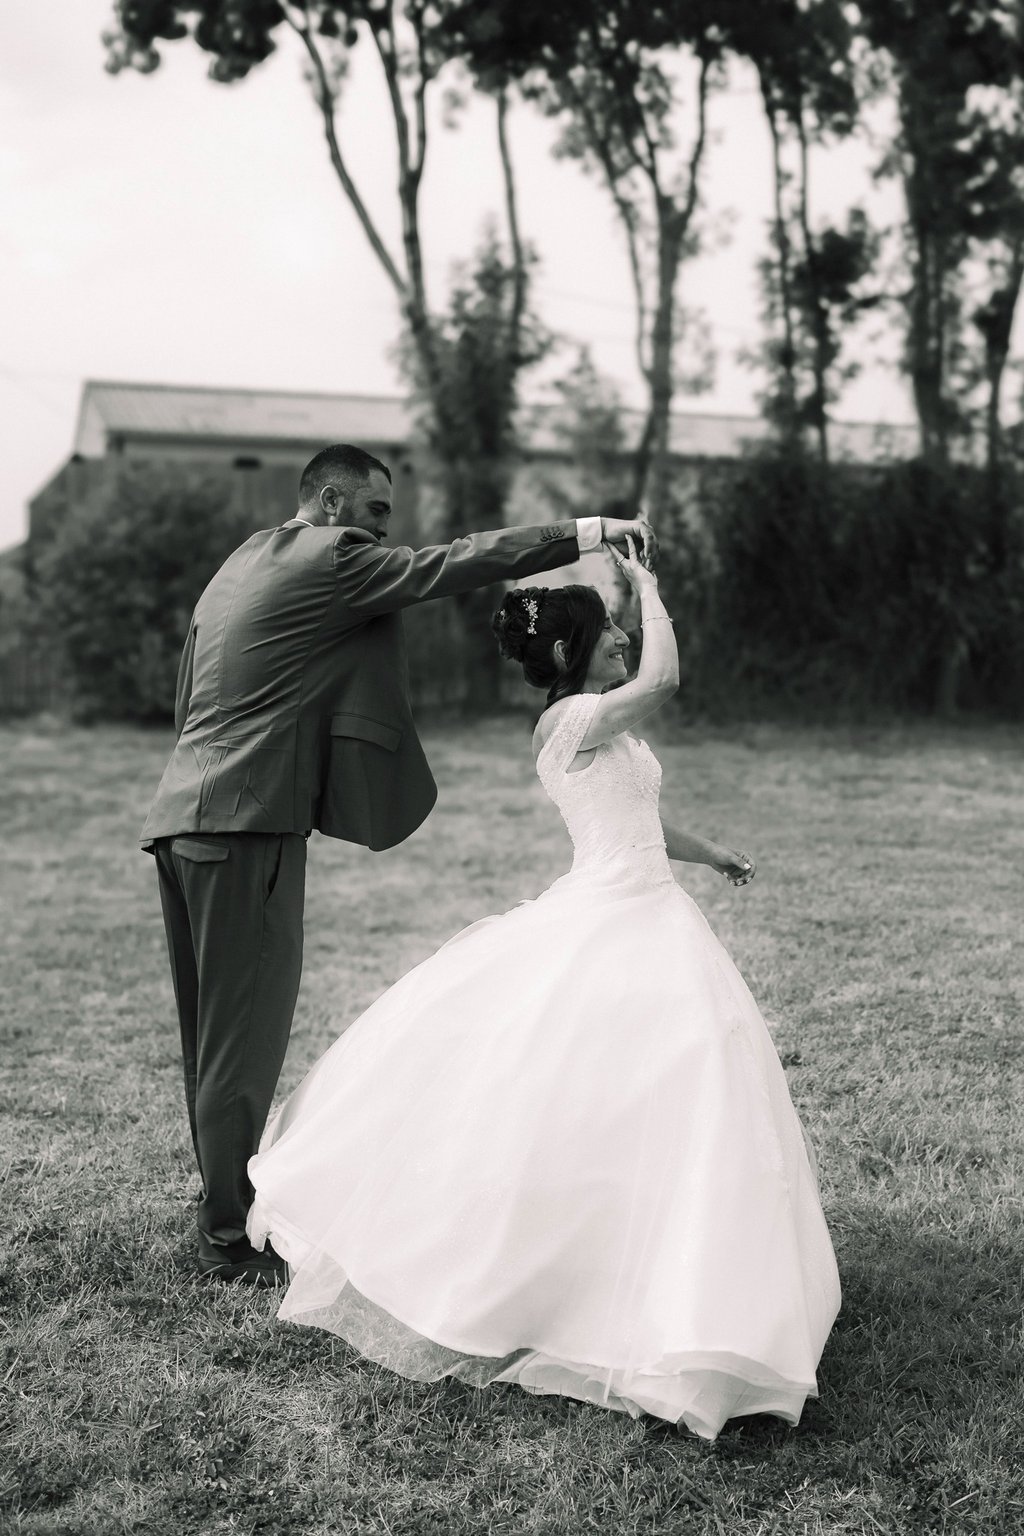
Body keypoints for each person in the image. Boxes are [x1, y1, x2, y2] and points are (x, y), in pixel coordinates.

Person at [246, 534, 842, 1440]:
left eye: (621, 633)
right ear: (569, 654)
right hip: (612, 918)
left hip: (653, 905)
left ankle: (689, 1278)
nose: (621, 645)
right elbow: (668, 682)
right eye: (607, 636)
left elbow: (637, 812)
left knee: (679, 1092)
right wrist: (644, 583)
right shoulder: (566, 724)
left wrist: (709, 852)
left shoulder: (605, 727)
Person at [141, 442, 656, 1286]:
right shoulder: (336, 558)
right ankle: (229, 1236)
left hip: (180, 817)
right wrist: (589, 533)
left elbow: (187, 689)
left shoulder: (239, 562)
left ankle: (223, 1204)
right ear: (335, 505)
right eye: (378, 513)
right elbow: (454, 563)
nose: (388, 532)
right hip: (248, 825)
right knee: (245, 1039)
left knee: (207, 1037)